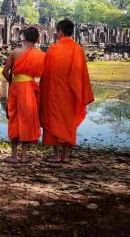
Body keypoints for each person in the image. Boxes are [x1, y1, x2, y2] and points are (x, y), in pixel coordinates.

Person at [39, 19, 94, 163]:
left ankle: (56, 155)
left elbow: (47, 74)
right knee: (68, 121)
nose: (56, 34)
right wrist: (79, 92)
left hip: (54, 93)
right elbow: (81, 75)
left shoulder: (53, 49)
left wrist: (44, 91)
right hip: (71, 94)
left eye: (57, 31)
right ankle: (65, 155)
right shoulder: (78, 49)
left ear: (61, 32)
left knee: (53, 119)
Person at [2, 27, 46, 163]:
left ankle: (14, 155)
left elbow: (4, 72)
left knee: (14, 118)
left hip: (16, 87)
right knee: (27, 119)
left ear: (24, 38)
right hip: (29, 88)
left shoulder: (15, 52)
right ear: (38, 39)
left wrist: (12, 81)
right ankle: (24, 155)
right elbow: (41, 73)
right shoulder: (41, 55)